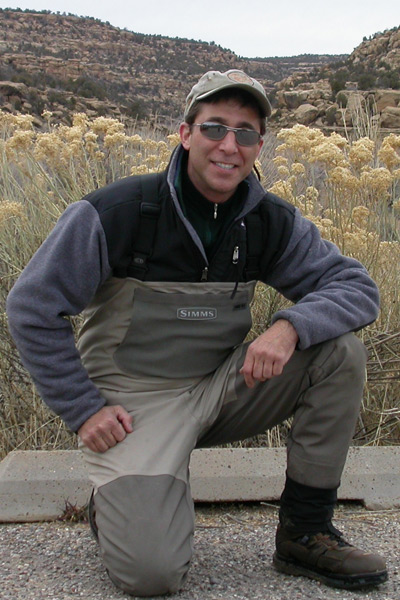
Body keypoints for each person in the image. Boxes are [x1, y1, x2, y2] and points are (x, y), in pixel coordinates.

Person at [6, 69, 388, 596]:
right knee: (151, 576)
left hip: (223, 391)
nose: (229, 145)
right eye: (214, 128)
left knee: (339, 352)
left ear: (259, 146)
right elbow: (32, 308)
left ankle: (305, 533)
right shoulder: (117, 213)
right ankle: (115, 504)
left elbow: (356, 287)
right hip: (133, 410)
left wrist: (290, 326)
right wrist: (83, 409)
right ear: (185, 134)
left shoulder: (269, 221)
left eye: (246, 133)